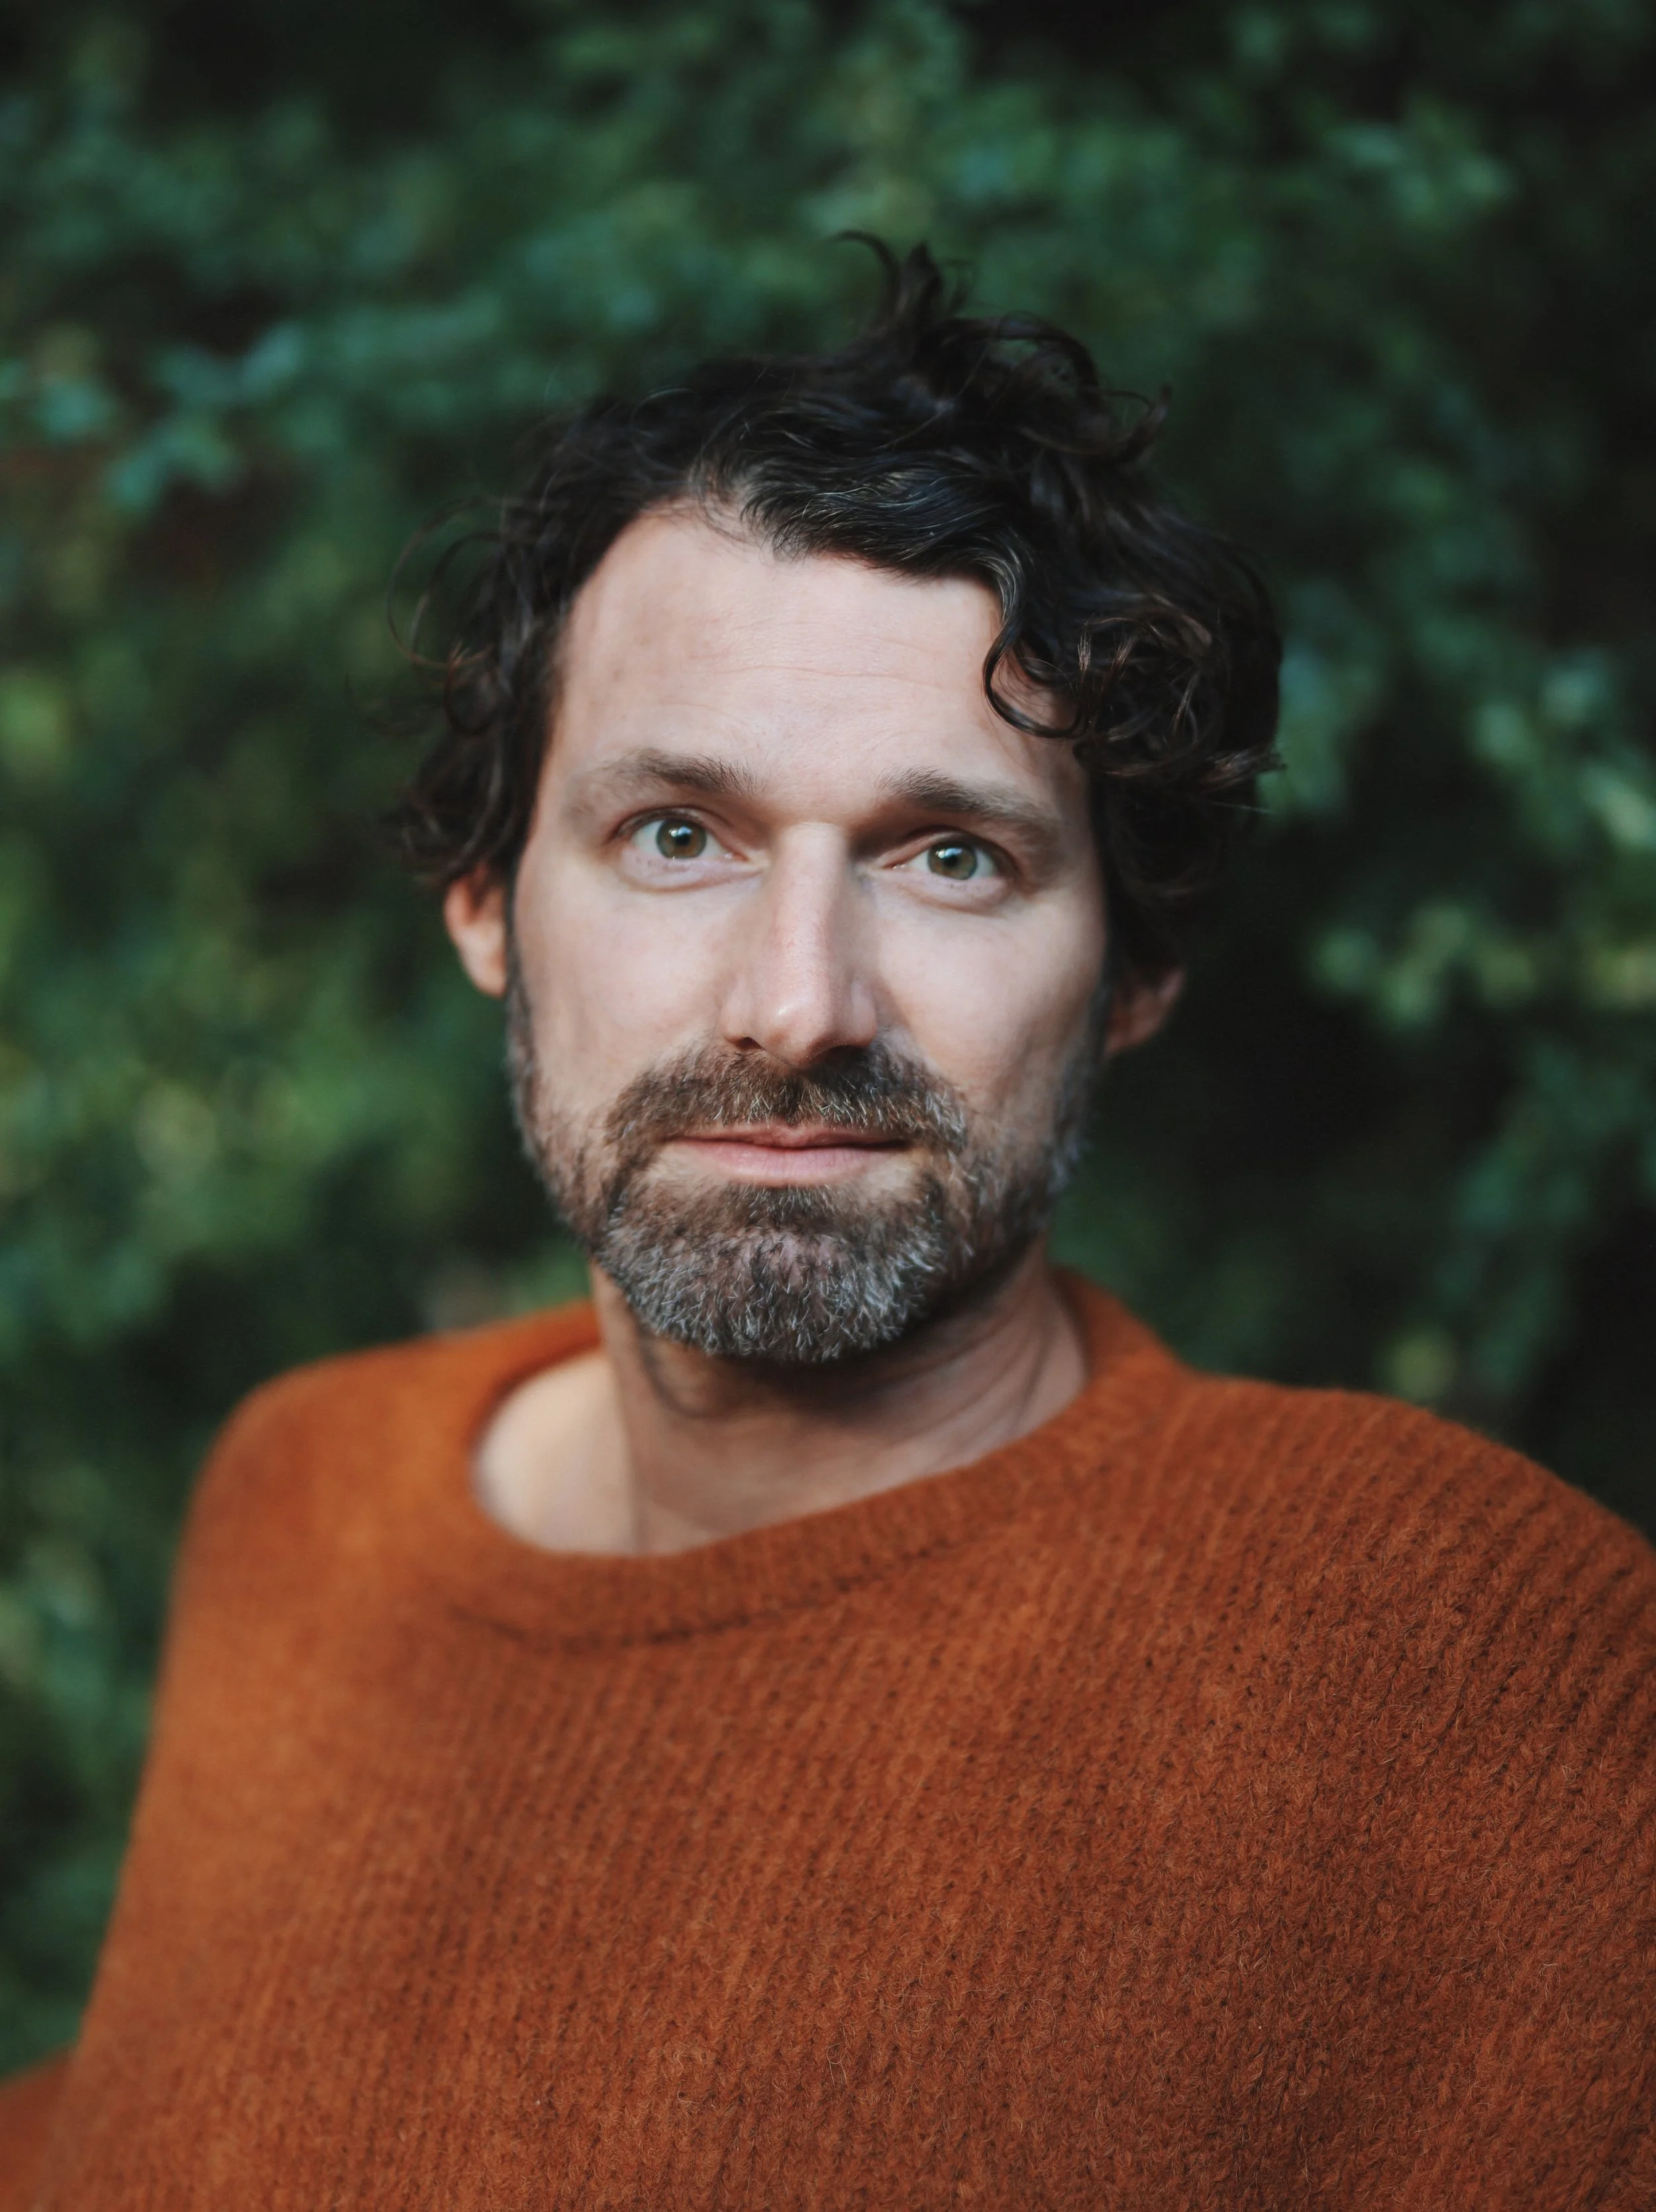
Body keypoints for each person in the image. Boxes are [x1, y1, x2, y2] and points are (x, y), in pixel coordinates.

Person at [3, 245, 1651, 2209]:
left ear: (1129, 969)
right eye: (674, 836)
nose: (797, 1005)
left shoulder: (1465, 1668)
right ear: (483, 902)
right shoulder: (307, 1491)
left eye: (950, 857)